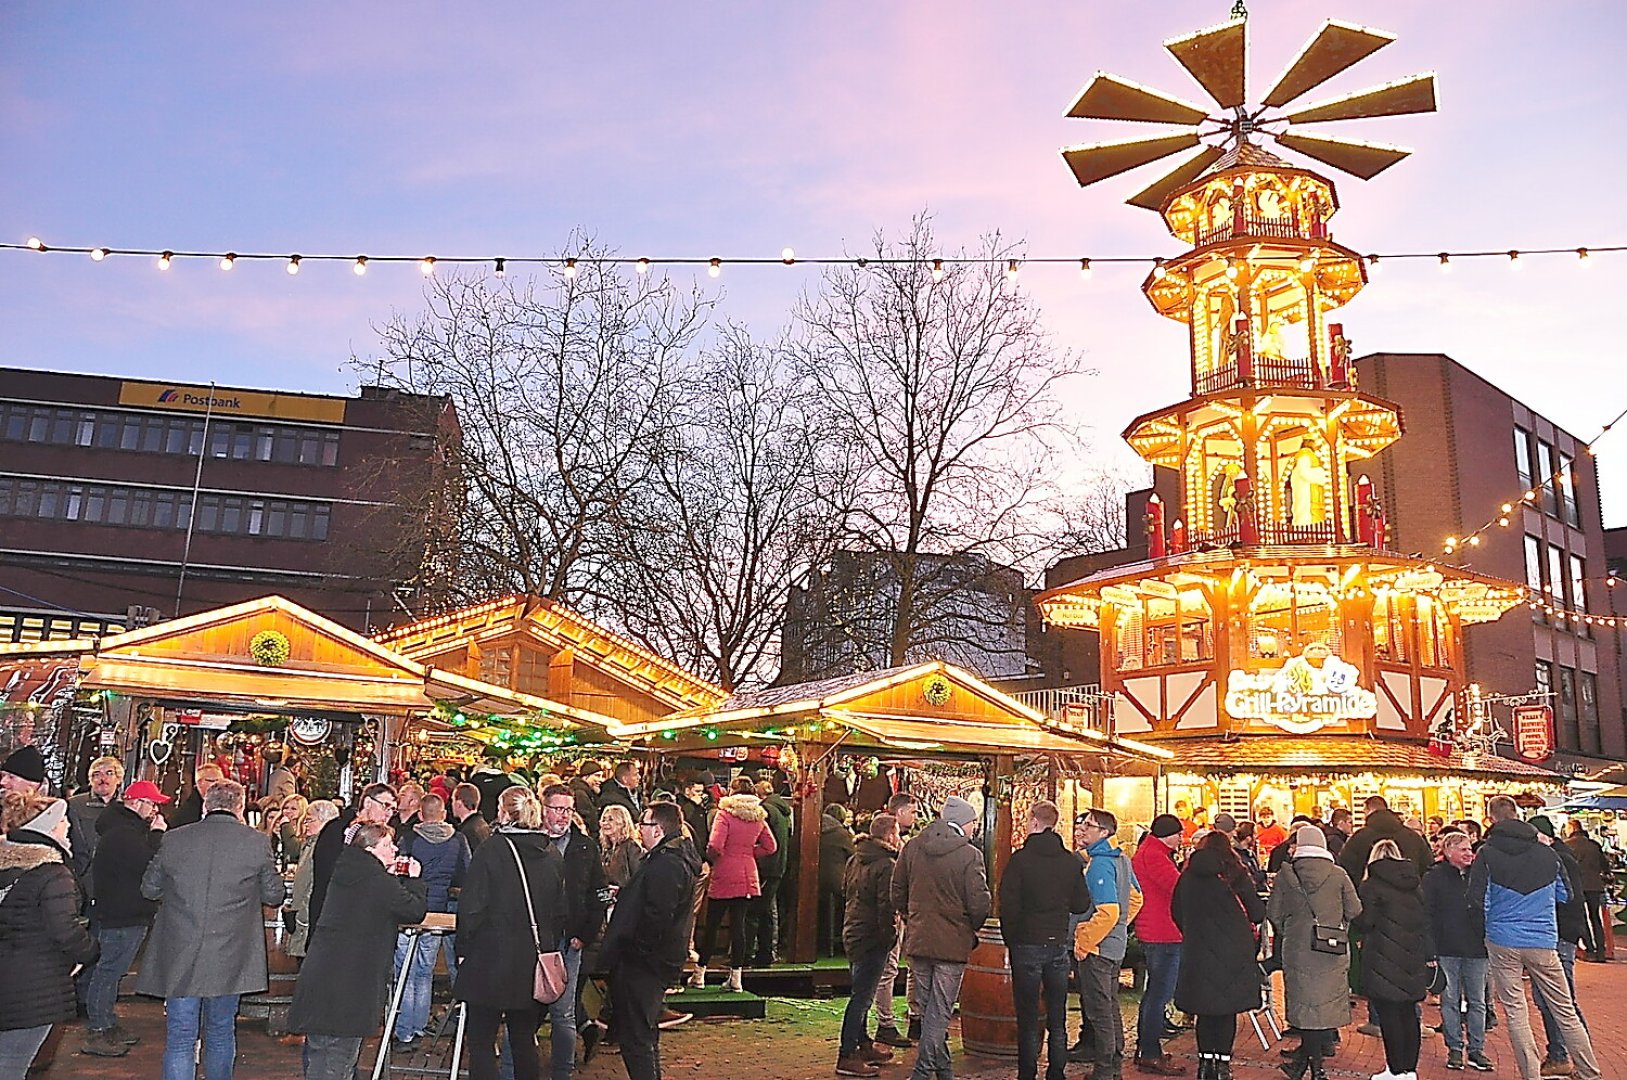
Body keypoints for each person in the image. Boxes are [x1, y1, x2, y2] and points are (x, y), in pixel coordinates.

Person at [137, 778, 285, 1080]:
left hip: (180, 949)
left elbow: (149, 889)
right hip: (231, 953)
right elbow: (274, 895)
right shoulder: (256, 843)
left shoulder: (174, 839)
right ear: (240, 807)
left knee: (180, 1036)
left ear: (206, 805)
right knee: (220, 1030)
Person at [1468, 797, 1600, 1080]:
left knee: (1516, 1011)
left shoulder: (1487, 854)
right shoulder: (1547, 854)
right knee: (1564, 1008)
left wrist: (1497, 913)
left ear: (1491, 818)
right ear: (1517, 814)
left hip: (1502, 939)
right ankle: (1589, 1071)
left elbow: (1476, 899)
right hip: (1542, 938)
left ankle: (1531, 1074)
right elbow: (1567, 895)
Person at [289, 823, 428, 1080]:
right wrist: (416, 879)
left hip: (325, 976)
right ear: (371, 849)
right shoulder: (374, 879)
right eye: (387, 845)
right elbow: (412, 909)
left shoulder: (347, 869)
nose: (395, 849)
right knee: (340, 1058)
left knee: (321, 1051)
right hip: (352, 983)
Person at [455, 785, 568, 1080]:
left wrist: (463, 949)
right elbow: (560, 910)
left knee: (481, 1040)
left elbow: (471, 907)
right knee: (523, 1039)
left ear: (504, 812)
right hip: (532, 960)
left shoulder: (492, 850)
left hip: (489, 958)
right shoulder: (552, 853)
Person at [598, 800, 700, 1080]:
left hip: (646, 963)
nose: (639, 829)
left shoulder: (667, 862)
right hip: (652, 959)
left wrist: (637, 949)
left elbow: (658, 914)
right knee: (643, 1033)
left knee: (637, 1036)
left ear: (658, 828)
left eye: (644, 823)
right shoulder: (670, 858)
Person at [0, 793, 99, 1079]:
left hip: (9, 979)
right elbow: (65, 930)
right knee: (11, 1065)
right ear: (47, 829)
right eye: (62, 822)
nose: (67, 827)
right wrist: (90, 950)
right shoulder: (53, 874)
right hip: (33, 986)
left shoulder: (8, 866)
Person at [892, 795, 990, 1080]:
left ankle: (944, 1072)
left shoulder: (912, 847)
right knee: (940, 1010)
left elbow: (897, 889)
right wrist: (969, 928)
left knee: (929, 1008)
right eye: (973, 822)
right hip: (952, 943)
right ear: (963, 823)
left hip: (920, 939)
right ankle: (922, 1073)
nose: (974, 828)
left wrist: (913, 918)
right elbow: (979, 903)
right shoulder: (970, 855)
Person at [80, 778, 169, 1057]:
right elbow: (149, 864)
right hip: (121, 914)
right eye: (151, 803)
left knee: (110, 971)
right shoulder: (123, 834)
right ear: (135, 802)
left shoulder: (123, 829)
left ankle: (106, 1022)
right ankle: (97, 1029)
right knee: (107, 972)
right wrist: (156, 835)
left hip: (123, 911)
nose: (154, 809)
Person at [1000, 801, 1088, 1080]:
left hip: (1026, 942)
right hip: (1058, 943)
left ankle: (1027, 1073)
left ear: (1035, 822)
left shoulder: (1020, 860)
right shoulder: (1069, 861)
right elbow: (1081, 903)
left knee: (1027, 1017)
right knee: (1058, 1014)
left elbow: (1008, 905)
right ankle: (1056, 1072)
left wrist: (1011, 940)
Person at [1266, 824, 1360, 1080]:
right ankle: (1314, 1069)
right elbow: (1355, 909)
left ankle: (1308, 1068)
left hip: (1298, 950)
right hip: (1331, 948)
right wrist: (1335, 923)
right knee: (1323, 1008)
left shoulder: (1287, 875)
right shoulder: (1338, 874)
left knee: (1305, 1007)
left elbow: (1274, 913)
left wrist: (1292, 929)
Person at [1171, 831, 1264, 1080]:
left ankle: (1204, 1064)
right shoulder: (1237, 874)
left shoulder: (1188, 876)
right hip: (1233, 949)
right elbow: (1256, 911)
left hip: (1198, 949)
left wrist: (1193, 932)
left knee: (1204, 1009)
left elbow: (1177, 911)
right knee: (1226, 1010)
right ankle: (1222, 1066)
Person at [390, 793, 472, 1047]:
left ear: (420, 814)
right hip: (439, 912)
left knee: (405, 971)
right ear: (443, 814)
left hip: (410, 910)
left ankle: (404, 1030)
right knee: (425, 972)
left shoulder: (411, 838)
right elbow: (466, 872)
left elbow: (399, 870)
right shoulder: (458, 839)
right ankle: (419, 1025)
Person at [540, 782, 607, 1080]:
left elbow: (598, 892)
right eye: (558, 809)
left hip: (570, 940)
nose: (564, 815)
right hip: (534, 938)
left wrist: (586, 934)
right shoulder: (532, 844)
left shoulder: (585, 846)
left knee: (564, 1013)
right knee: (524, 1013)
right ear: (543, 809)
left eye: (568, 809)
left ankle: (562, 1073)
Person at [1351, 838, 1431, 1080]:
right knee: (1409, 1012)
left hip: (1382, 957)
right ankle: (1409, 1069)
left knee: (1389, 1015)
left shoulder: (1371, 886)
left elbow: (1366, 922)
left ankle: (1395, 1069)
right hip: (1412, 955)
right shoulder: (1414, 884)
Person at [1073, 808, 1143, 1080]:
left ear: (1105, 832)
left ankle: (1104, 1071)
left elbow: (1109, 910)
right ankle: (1113, 1066)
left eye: (1089, 826)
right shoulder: (1121, 858)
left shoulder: (1101, 863)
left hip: (1099, 950)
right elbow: (1136, 898)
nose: (1082, 829)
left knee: (1099, 1011)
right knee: (1110, 1007)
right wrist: (1120, 928)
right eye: (1081, 824)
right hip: (1114, 945)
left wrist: (1086, 939)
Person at [696, 778, 776, 992]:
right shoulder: (758, 817)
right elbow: (771, 846)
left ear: (732, 792)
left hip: (724, 873)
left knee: (712, 925)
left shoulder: (725, 814)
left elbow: (715, 845)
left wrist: (710, 860)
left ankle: (700, 974)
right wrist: (749, 853)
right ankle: (736, 978)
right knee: (739, 926)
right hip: (747, 874)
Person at [838, 812, 902, 1078]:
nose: (899, 838)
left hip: (853, 930)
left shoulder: (856, 858)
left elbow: (845, 890)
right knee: (862, 997)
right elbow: (886, 905)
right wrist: (889, 936)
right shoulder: (886, 864)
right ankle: (847, 1053)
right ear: (888, 835)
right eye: (897, 833)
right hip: (871, 935)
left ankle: (863, 1043)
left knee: (860, 989)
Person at [1423, 831, 1491, 1072]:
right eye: (1463, 849)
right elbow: (1427, 915)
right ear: (1448, 850)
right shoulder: (1434, 878)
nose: (1468, 853)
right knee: (1449, 1000)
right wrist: (1430, 951)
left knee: (1477, 1001)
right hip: (1447, 947)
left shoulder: (1480, 875)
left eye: (1469, 848)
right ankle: (1454, 1047)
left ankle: (1476, 1049)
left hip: (1477, 948)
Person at [1528, 815, 1590, 1076]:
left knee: (1561, 1000)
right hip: (1556, 935)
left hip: (1559, 936)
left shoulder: (1557, 859)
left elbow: (1568, 899)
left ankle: (1570, 1056)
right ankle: (1565, 1053)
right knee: (1551, 999)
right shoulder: (1558, 856)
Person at [1130, 813, 1186, 1076]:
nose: (1181, 839)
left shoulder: (1150, 852)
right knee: (1159, 994)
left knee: (1156, 992)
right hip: (1162, 931)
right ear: (1168, 834)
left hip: (1156, 930)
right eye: (1178, 834)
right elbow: (1178, 887)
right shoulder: (1154, 855)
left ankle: (1147, 1047)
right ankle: (1150, 1052)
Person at [310, 781, 397, 927]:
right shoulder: (337, 829)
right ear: (368, 803)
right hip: (331, 911)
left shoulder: (380, 835)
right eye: (385, 806)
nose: (388, 814)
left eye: (393, 810)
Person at [873, 791, 919, 1048]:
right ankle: (886, 1023)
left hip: (891, 918)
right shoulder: (889, 857)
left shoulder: (875, 854)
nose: (915, 816)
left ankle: (890, 1020)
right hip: (890, 918)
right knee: (887, 968)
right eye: (912, 811)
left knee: (891, 968)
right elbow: (891, 892)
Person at [286, 799, 339, 959]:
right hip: (301, 914)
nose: (305, 824)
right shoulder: (309, 845)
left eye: (310, 820)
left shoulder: (322, 849)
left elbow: (313, 884)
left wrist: (302, 916)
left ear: (325, 821)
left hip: (307, 918)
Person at [749, 777, 792, 967]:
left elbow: (764, 842)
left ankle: (759, 954)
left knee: (757, 912)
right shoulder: (782, 811)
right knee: (768, 911)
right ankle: (767, 953)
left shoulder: (766, 811)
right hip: (778, 866)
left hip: (766, 867)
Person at [1337, 796, 1430, 877]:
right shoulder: (1412, 837)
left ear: (1370, 811)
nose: (1363, 817)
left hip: (1368, 894)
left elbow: (1345, 867)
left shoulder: (1359, 838)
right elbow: (1427, 865)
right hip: (1408, 894)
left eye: (1364, 812)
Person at [67, 754, 123, 884]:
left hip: (117, 877)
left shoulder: (127, 806)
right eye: (96, 774)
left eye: (109, 773)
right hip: (84, 877)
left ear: (119, 779)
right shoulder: (75, 805)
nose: (102, 778)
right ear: (90, 780)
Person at [1563, 819, 1609, 961]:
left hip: (1578, 887)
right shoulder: (1594, 845)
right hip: (1595, 886)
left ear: (1571, 829)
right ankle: (1601, 951)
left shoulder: (1568, 845)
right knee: (1595, 918)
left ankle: (1589, 950)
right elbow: (1604, 864)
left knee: (1582, 918)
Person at [820, 804, 857, 955]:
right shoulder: (842, 834)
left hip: (809, 881)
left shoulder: (812, 828)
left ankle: (823, 941)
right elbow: (854, 856)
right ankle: (842, 942)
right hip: (837, 883)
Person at [169, 761, 226, 827]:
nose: (218, 785)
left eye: (221, 781)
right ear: (200, 783)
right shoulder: (186, 813)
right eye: (213, 781)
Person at [599, 804, 642, 888]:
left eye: (610, 819)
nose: (605, 823)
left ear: (622, 823)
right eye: (603, 820)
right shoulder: (606, 849)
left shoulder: (632, 847)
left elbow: (638, 877)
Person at [454, 781, 494, 853]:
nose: (451, 804)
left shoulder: (466, 833)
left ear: (459, 804)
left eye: (452, 800)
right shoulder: (483, 825)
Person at [571, 761, 606, 838]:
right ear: (585, 777)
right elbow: (590, 819)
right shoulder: (580, 794)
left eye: (601, 776)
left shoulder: (588, 793)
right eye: (597, 776)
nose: (600, 779)